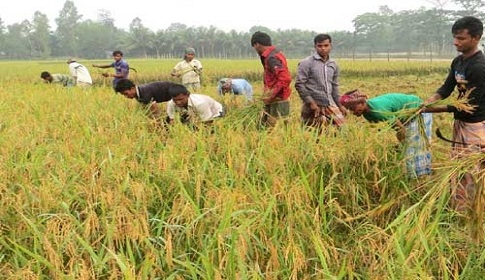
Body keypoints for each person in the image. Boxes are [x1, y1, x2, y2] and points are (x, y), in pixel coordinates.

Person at [422, 16, 485, 211]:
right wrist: (428, 101)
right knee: (458, 167)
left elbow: (470, 105)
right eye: (454, 37)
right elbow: (447, 88)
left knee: (473, 169)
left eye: (461, 38)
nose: (456, 42)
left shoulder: (479, 67)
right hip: (460, 122)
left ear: (475, 38)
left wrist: (432, 110)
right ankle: (460, 207)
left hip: (476, 124)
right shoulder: (458, 61)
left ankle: (474, 209)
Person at [340, 90, 433, 179]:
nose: (351, 112)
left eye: (352, 108)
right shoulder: (367, 114)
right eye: (348, 109)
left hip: (418, 111)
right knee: (408, 150)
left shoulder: (378, 111)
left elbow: (401, 130)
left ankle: (421, 178)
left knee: (414, 148)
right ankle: (414, 176)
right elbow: (382, 129)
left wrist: (400, 145)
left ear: (362, 103)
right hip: (405, 119)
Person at [295, 34, 346, 133]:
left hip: (329, 103)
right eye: (320, 46)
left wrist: (340, 105)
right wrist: (311, 102)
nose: (323, 48)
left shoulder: (333, 64)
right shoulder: (306, 63)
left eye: (326, 45)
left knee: (343, 130)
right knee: (312, 133)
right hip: (313, 105)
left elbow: (334, 86)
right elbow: (299, 84)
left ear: (330, 46)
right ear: (315, 46)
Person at [250, 31, 292, 128]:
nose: (255, 50)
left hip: (278, 98)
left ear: (257, 44)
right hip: (274, 97)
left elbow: (285, 79)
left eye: (254, 47)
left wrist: (271, 95)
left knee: (271, 127)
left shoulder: (271, 57)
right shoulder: (274, 54)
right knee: (264, 124)